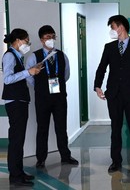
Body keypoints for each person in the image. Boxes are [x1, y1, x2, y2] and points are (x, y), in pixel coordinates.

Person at [94, 15, 130, 173]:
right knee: (115, 128)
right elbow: (101, 68)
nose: (111, 30)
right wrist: (97, 86)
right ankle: (116, 161)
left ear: (121, 27)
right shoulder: (109, 47)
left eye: (112, 27)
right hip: (113, 94)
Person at [26, 25, 78, 168]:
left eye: (52, 36)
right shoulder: (33, 57)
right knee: (42, 128)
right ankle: (41, 158)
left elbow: (66, 74)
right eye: (47, 37)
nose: (51, 39)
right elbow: (29, 77)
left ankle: (65, 156)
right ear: (42, 40)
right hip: (42, 98)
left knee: (61, 127)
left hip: (59, 98)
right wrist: (40, 87)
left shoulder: (61, 55)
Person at [2, 28, 42, 186]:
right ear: (17, 41)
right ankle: (15, 176)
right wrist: (28, 72)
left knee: (19, 139)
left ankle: (18, 172)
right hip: (15, 102)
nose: (27, 44)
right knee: (16, 140)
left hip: (20, 101)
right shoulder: (10, 56)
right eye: (26, 41)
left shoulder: (18, 57)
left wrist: (30, 71)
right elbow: (8, 79)